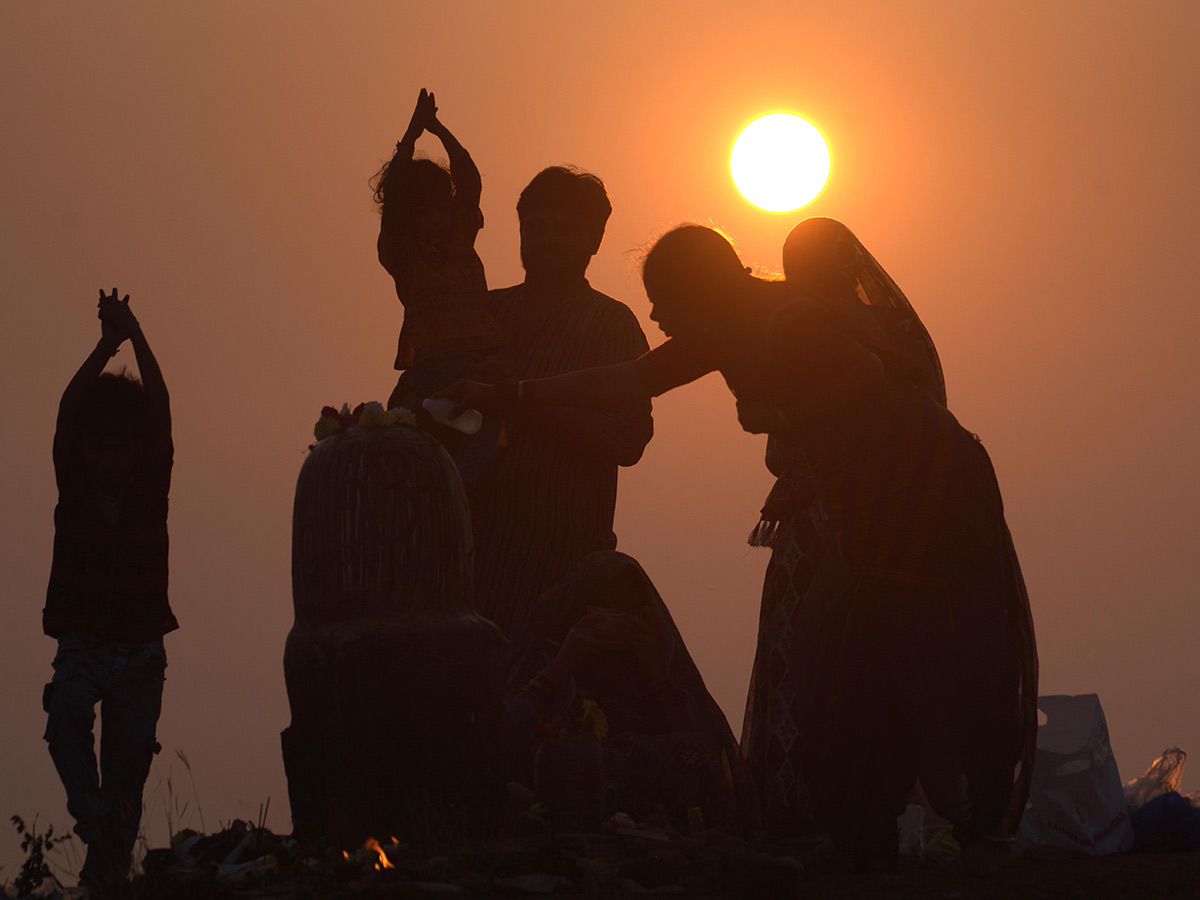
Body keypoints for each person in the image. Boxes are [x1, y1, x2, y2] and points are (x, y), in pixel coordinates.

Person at [436, 221, 1038, 867]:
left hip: (927, 491)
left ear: (701, 289)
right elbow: (632, 379)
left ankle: (979, 831)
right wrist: (510, 396)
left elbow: (866, 377)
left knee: (933, 656)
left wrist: (781, 416)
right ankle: (865, 836)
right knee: (840, 660)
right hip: (869, 506)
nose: (658, 315)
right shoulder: (727, 327)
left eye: (665, 299)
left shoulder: (785, 320)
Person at [467, 166, 654, 640]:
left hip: (561, 558)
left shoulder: (612, 325)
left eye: (565, 228)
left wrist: (519, 400)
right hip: (470, 552)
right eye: (537, 227)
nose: (548, 239)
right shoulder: (483, 314)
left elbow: (626, 438)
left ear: (594, 240)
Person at [43, 289, 177, 893]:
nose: (105, 459)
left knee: (127, 776)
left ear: (138, 449)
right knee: (66, 716)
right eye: (97, 448)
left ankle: (109, 870)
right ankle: (92, 827)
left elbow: (160, 407)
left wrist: (138, 335)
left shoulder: (151, 487)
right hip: (82, 644)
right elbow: (70, 410)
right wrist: (106, 346)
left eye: (118, 448)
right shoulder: (72, 487)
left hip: (141, 653)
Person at [505, 551, 754, 832]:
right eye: (604, 607)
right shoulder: (547, 657)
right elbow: (504, 737)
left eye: (626, 608)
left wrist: (657, 673)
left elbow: (701, 756)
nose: (615, 619)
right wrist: (562, 665)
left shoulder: (651, 672)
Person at [374, 88, 506, 485]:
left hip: (477, 356)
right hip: (436, 363)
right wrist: (411, 137)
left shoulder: (459, 239)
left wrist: (438, 129)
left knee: (500, 419)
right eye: (423, 211)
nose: (435, 219)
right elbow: (395, 196)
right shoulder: (404, 254)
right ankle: (451, 486)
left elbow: (469, 179)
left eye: (441, 208)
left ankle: (465, 481)